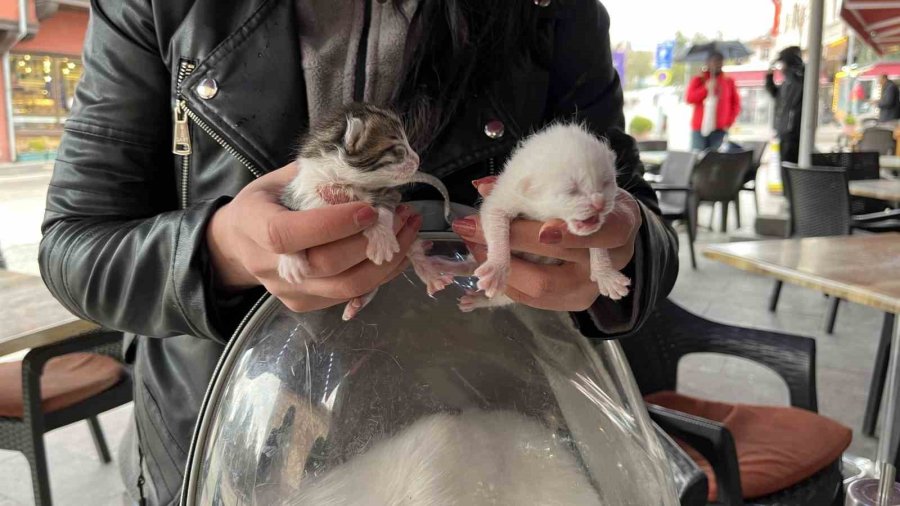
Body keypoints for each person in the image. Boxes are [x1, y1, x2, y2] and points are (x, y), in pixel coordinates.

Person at [37, 1, 679, 503]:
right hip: (234, 443)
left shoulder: (551, 11)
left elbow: (641, 223)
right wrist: (221, 252)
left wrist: (617, 254)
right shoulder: (159, 6)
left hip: (492, 448)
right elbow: (75, 246)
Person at [686, 51, 741, 152]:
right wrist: (705, 89)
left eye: (719, 61)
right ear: (707, 63)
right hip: (699, 129)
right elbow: (690, 98)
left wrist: (728, 122)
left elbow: (736, 104)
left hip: (719, 129)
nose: (717, 64)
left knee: (715, 159)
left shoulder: (728, 82)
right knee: (697, 158)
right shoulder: (699, 80)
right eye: (714, 61)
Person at [765, 46, 805, 164]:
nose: (780, 68)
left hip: (790, 134)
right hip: (786, 132)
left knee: (787, 167)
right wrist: (769, 76)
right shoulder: (788, 81)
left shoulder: (795, 80)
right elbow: (775, 93)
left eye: (781, 63)